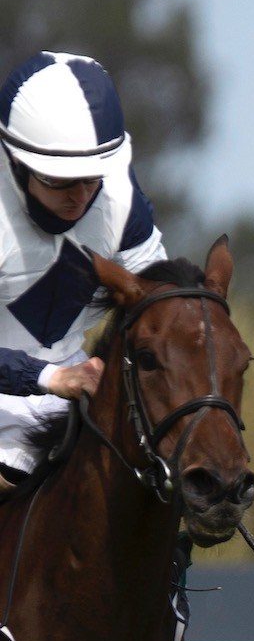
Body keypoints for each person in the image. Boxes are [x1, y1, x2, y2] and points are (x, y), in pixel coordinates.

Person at [0, 52, 167, 493]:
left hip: (68, 398)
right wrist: (50, 378)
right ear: (17, 164)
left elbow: (158, 311)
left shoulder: (120, 202)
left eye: (90, 180)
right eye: (60, 181)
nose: (79, 197)